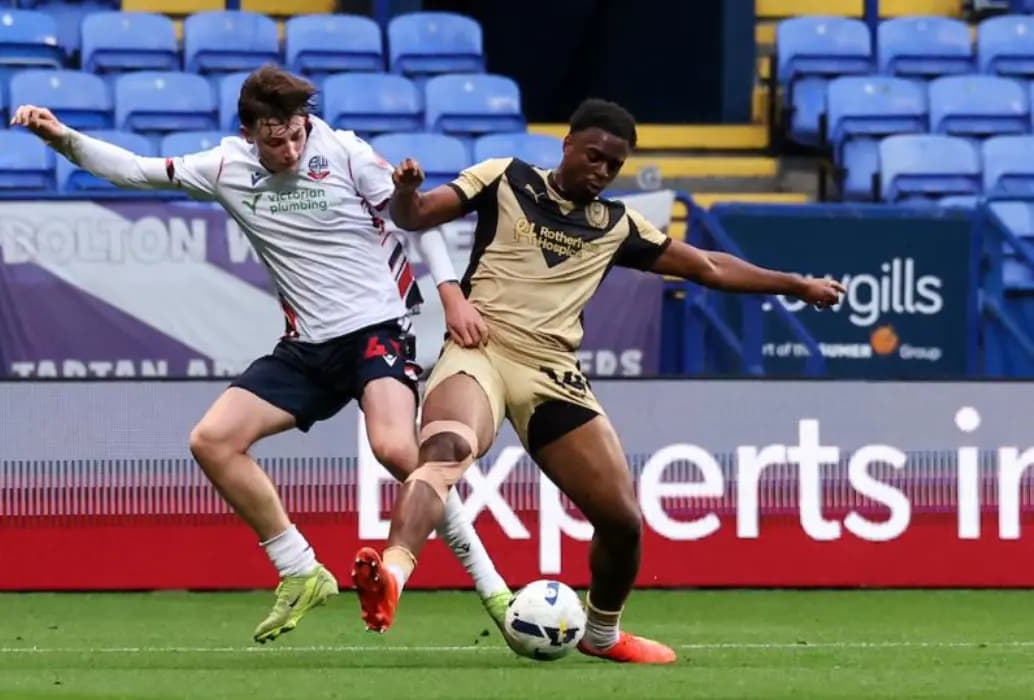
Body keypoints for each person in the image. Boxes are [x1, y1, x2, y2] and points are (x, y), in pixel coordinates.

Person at [10, 65, 514, 643]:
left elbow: (417, 215)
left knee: (397, 449)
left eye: (298, 133)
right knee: (212, 440)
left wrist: (449, 292)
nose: (292, 148)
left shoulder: (344, 152)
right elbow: (136, 171)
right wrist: (61, 137)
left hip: (377, 328)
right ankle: (300, 571)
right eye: (277, 139)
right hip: (307, 347)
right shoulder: (226, 167)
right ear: (250, 132)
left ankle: (493, 588)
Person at [350, 98, 846, 664]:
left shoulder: (616, 225)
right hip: (478, 352)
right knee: (443, 452)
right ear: (566, 145)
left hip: (552, 375)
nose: (602, 171)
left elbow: (707, 266)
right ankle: (390, 575)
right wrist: (409, 192)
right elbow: (415, 217)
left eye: (614, 165)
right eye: (594, 156)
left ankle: (602, 634)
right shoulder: (504, 177)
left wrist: (795, 285)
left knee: (622, 520)